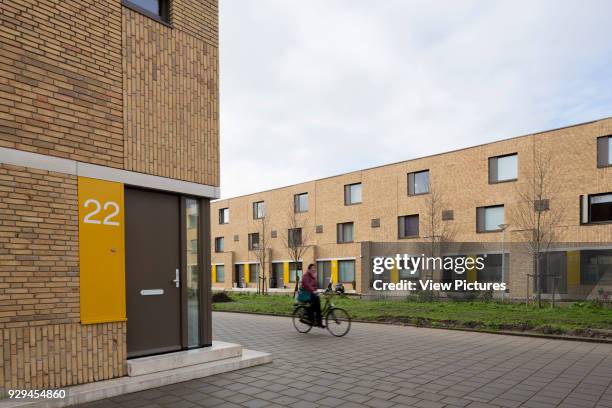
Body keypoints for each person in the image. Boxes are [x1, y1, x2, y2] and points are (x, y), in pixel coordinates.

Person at [301, 263, 324, 327]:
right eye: (313, 268)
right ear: (309, 269)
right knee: (312, 306)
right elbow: (307, 285)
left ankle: (319, 323)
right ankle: (311, 321)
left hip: (312, 293)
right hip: (306, 294)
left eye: (315, 268)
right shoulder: (306, 276)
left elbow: (315, 286)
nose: (314, 269)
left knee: (318, 307)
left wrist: (317, 291)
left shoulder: (313, 277)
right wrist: (313, 291)